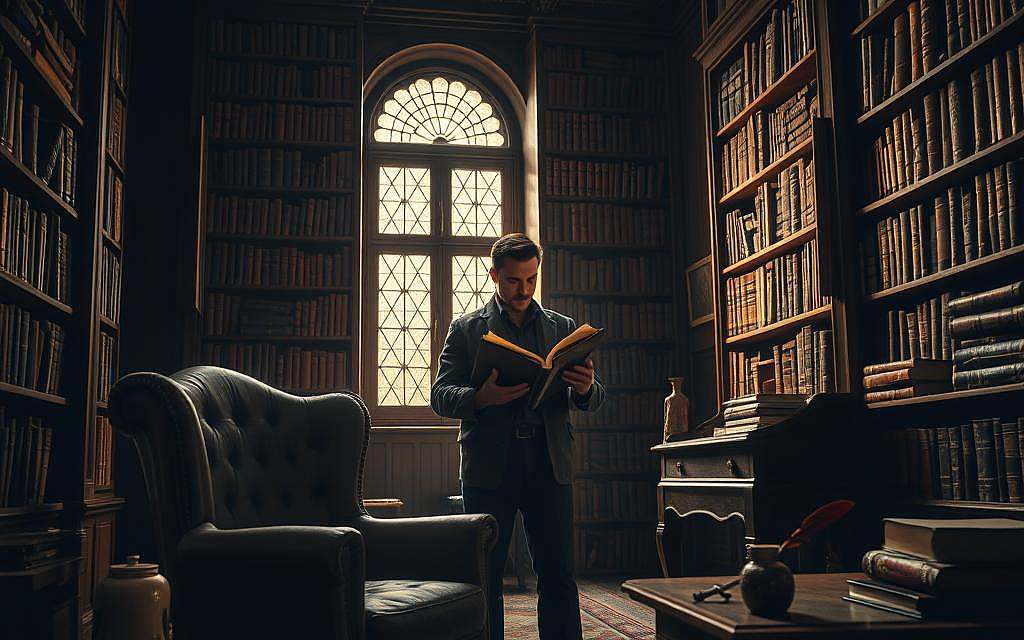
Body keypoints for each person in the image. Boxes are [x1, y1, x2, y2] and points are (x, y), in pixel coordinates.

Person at [431, 233, 606, 640]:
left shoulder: (564, 329)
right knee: (486, 575)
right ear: (494, 275)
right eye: (513, 281)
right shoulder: (467, 329)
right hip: (490, 465)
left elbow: (595, 398)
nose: (524, 289)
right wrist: (480, 398)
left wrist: (585, 388)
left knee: (559, 574)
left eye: (531, 279)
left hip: (549, 462)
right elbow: (440, 394)